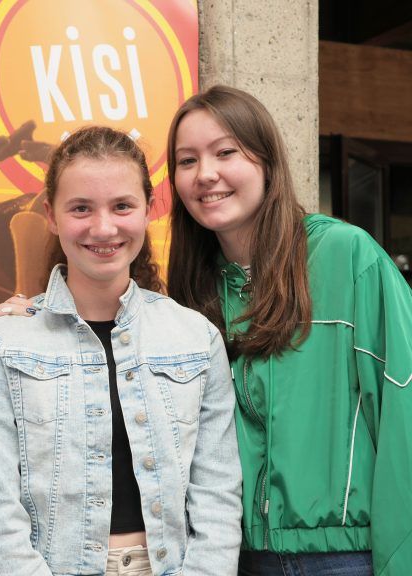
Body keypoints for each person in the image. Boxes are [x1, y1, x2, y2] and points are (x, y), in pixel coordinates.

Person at [0, 126, 243, 576]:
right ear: (51, 216)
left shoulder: (196, 339)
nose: (103, 227)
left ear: (149, 210)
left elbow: (217, 494)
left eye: (122, 206)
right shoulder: (4, 341)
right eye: (80, 208)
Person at [166, 85, 412, 575]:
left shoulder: (346, 256)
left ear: (267, 162)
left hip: (346, 555)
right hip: (236, 557)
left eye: (225, 152)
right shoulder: (191, 287)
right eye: (186, 160)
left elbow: (403, 403)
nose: (205, 174)